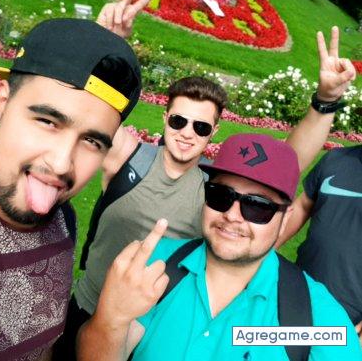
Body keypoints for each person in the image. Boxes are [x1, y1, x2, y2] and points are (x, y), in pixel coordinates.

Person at [70, 23, 356, 342]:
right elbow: (92, 110)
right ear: (165, 118)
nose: (187, 133)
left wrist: (325, 101)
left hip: (156, 326)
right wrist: (108, 44)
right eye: (179, 121)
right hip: (90, 307)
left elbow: (288, 162)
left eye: (201, 127)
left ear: (214, 131)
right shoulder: (129, 157)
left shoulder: (218, 193)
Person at [0, 17, 143, 360]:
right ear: (2, 104)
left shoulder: (63, 221)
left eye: (92, 141)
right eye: (48, 121)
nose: (61, 164)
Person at [77, 133, 362, 360]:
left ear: (285, 217)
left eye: (257, 206)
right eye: (220, 195)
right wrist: (111, 321)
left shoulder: (316, 317)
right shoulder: (155, 263)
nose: (232, 215)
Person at [277, 119, 362, 335]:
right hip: (299, 293)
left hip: (351, 316)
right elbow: (303, 205)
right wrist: (263, 250)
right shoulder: (336, 159)